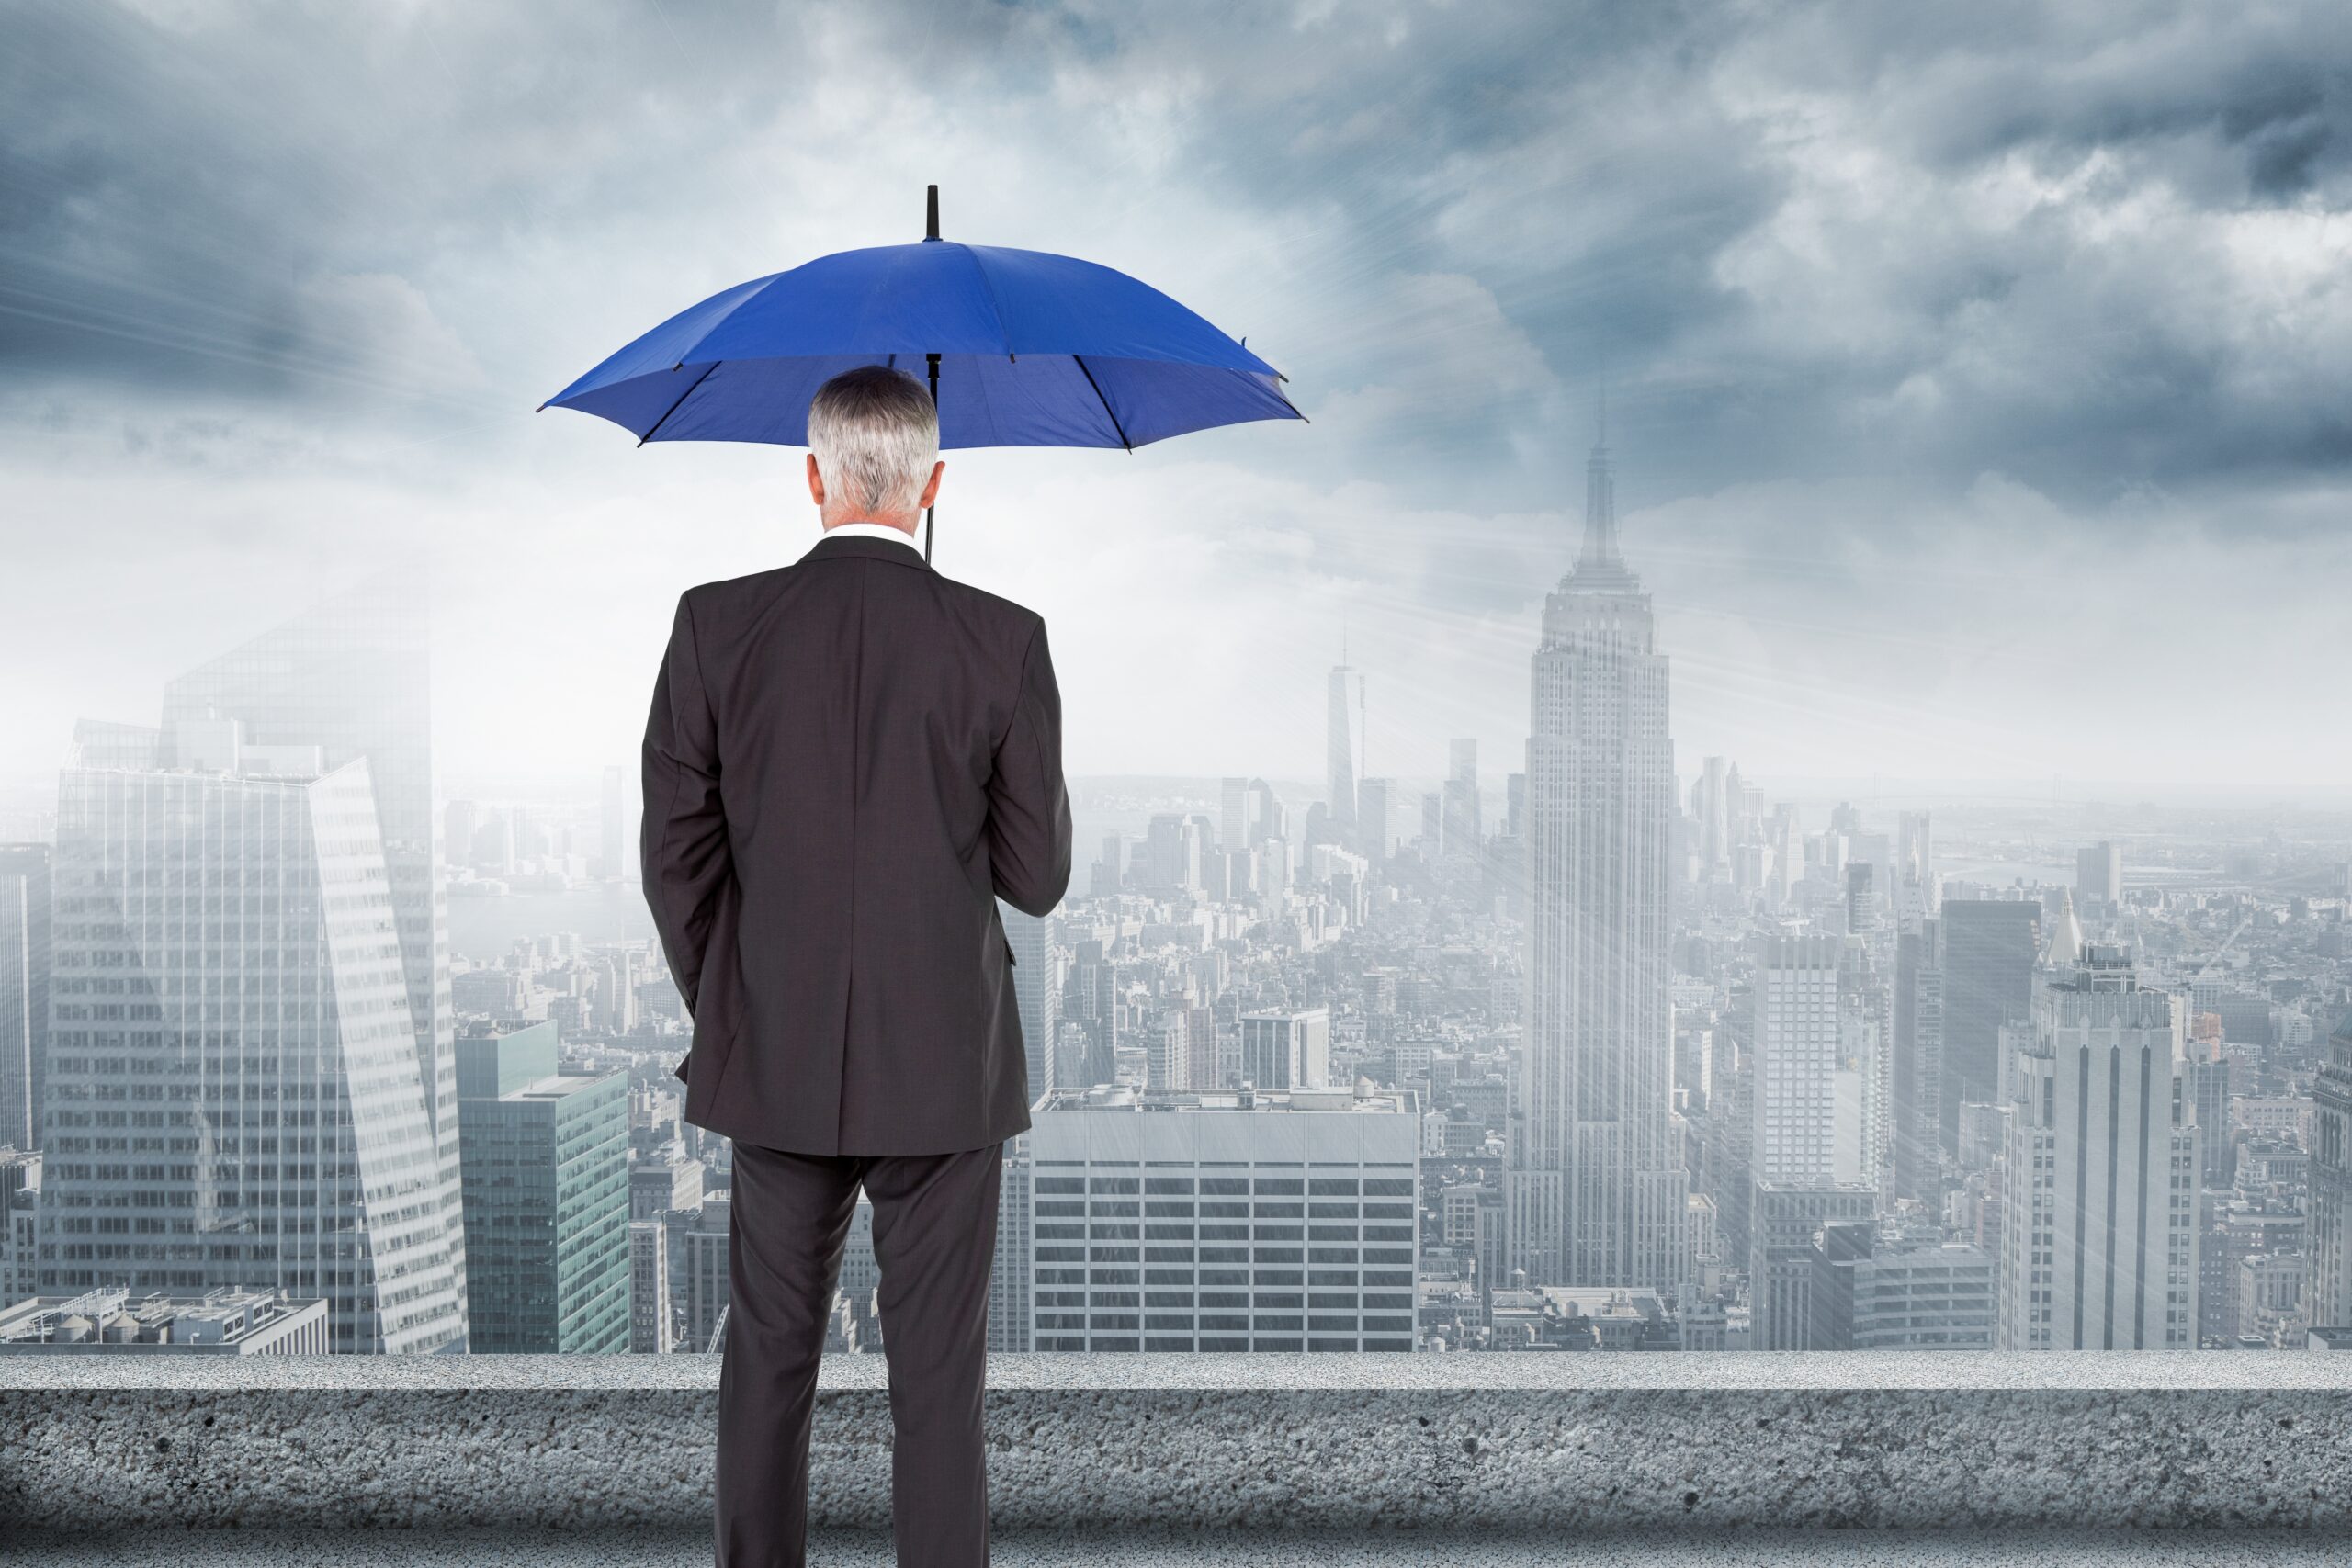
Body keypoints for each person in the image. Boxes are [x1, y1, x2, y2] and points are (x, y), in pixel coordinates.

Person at [639, 363, 1072, 1568]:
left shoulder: (713, 625)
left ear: (814, 477)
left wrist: (735, 1000)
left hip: (772, 1057)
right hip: (943, 1068)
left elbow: (674, 857)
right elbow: (1035, 877)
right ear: (933, 485)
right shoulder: (1003, 640)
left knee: (767, 1353)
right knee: (938, 1382)